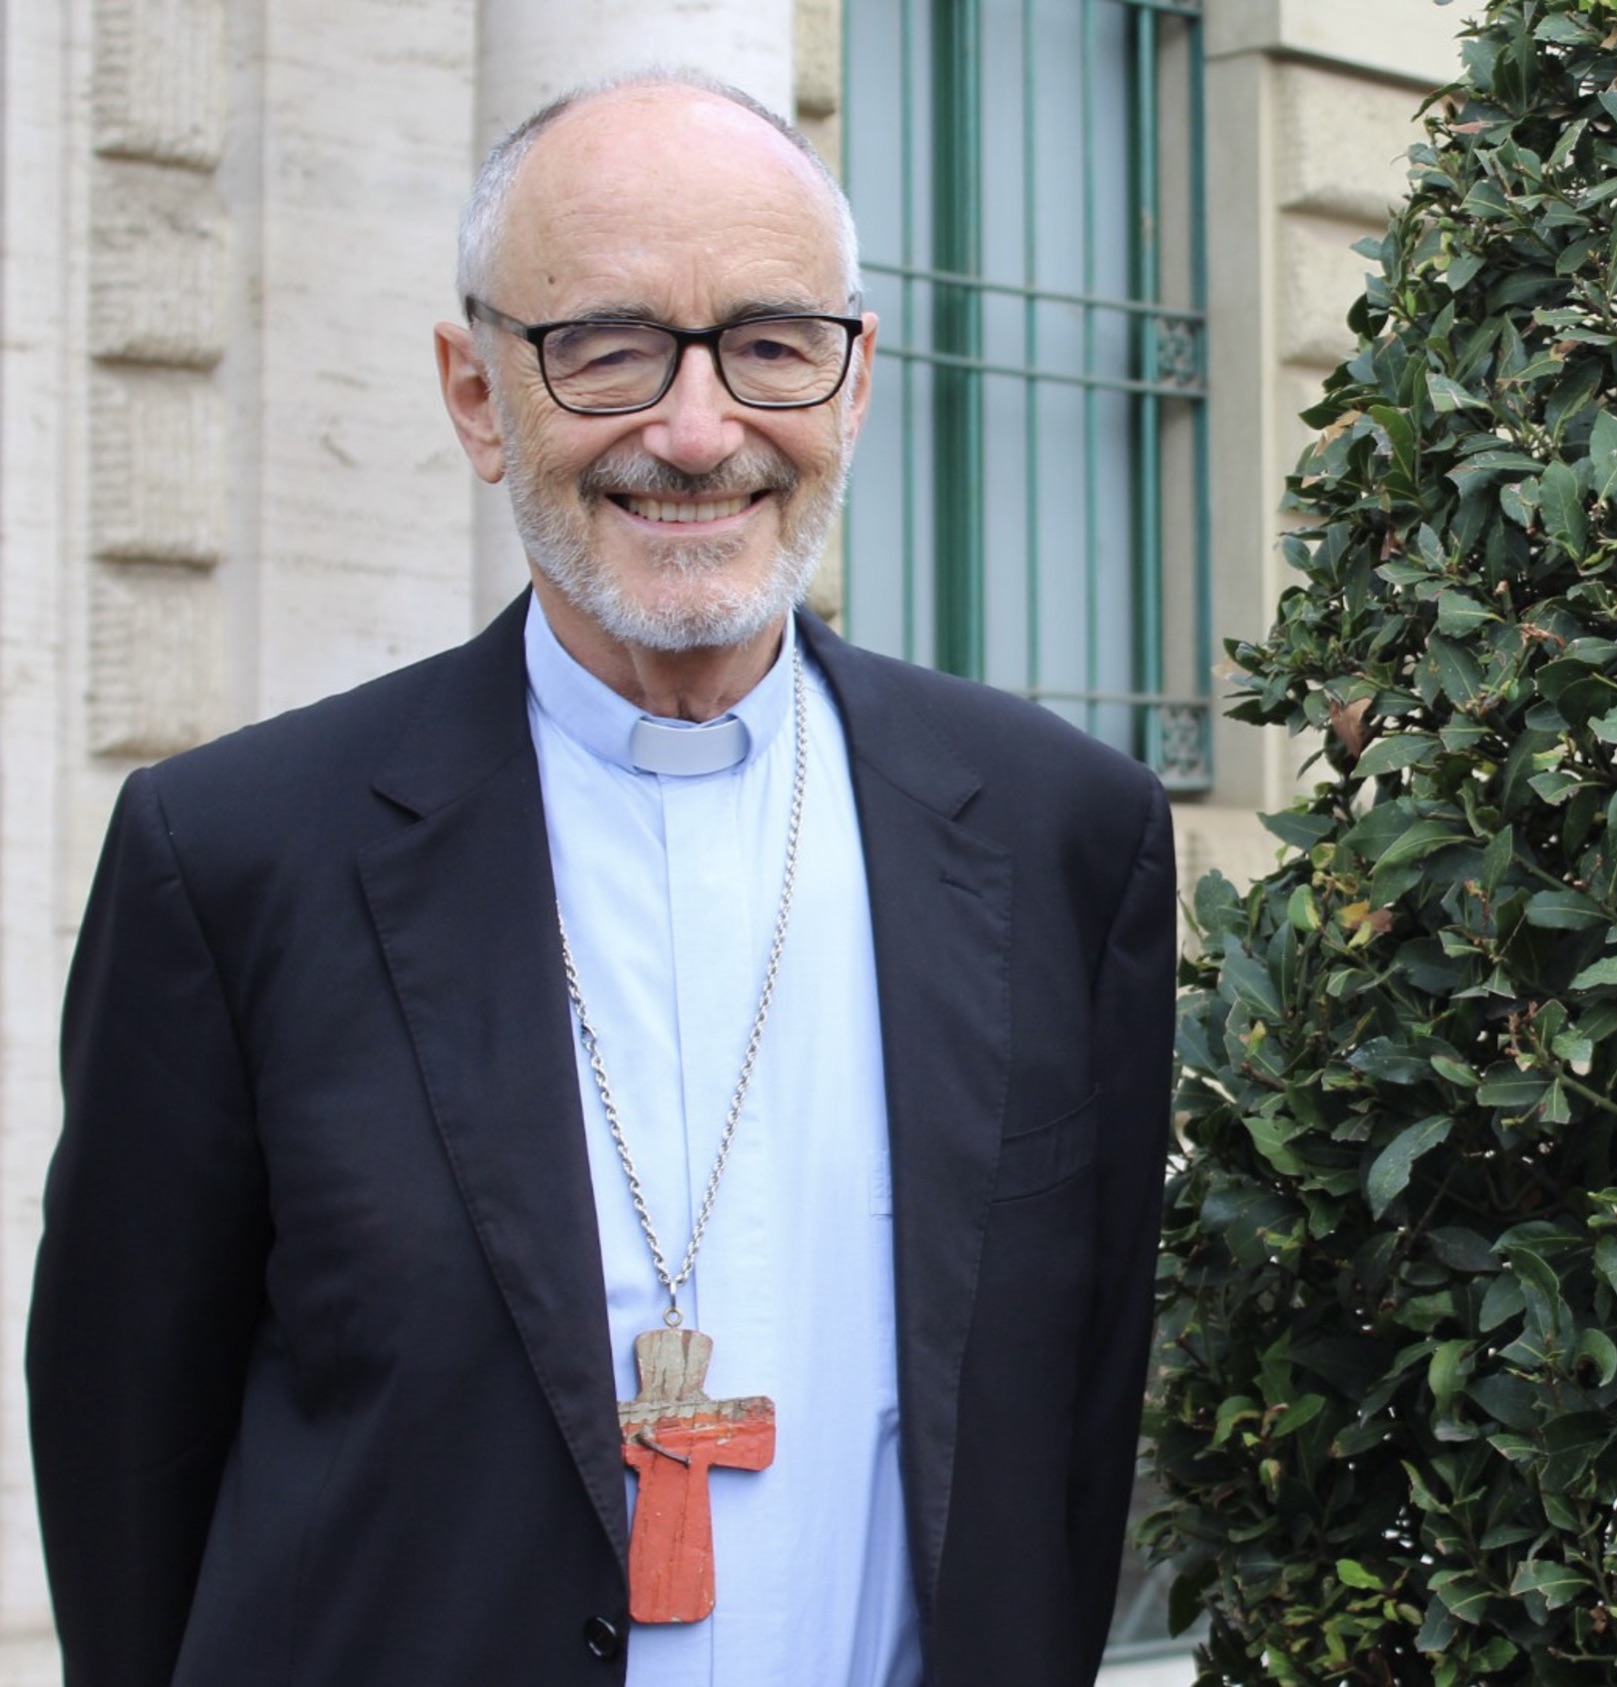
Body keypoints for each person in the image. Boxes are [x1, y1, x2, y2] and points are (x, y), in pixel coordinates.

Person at [27, 70, 1175, 1687]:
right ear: (478, 392)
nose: (696, 432)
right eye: (607, 347)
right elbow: (124, 1462)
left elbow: (1069, 1441)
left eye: (770, 344)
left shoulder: (1067, 835)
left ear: (853, 387)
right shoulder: (232, 860)